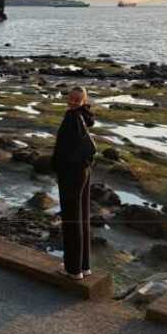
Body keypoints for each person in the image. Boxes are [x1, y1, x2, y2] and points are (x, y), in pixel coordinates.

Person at [52, 86, 95, 279]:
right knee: (82, 216)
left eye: (77, 99)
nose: (72, 101)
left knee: (71, 219)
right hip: (84, 171)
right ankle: (84, 266)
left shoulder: (72, 117)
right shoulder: (84, 115)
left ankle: (72, 269)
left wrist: (56, 167)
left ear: (83, 100)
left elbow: (64, 149)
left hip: (72, 173)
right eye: (70, 98)